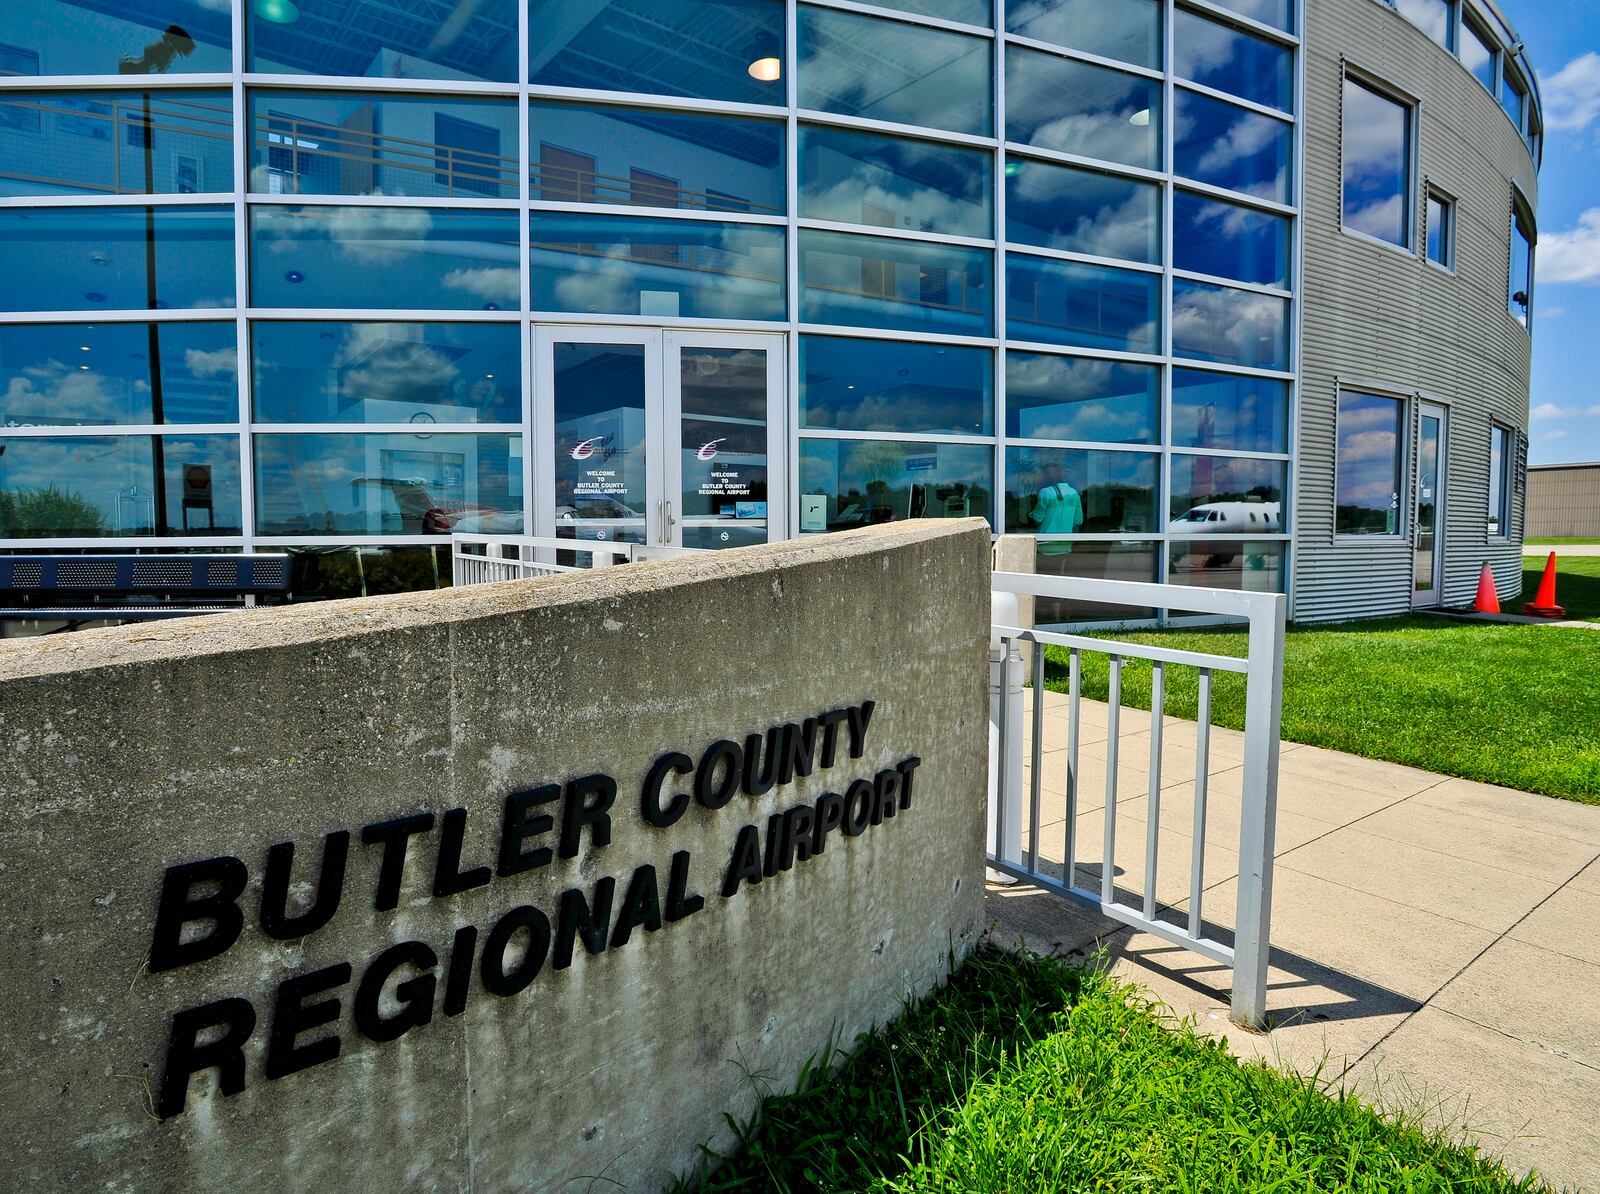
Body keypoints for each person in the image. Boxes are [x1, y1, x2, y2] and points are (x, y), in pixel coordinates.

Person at [1031, 479, 1083, 556]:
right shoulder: (1074, 493)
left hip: (1045, 546)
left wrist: (1030, 513)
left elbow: (1038, 518)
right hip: (1065, 546)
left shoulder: (1045, 492)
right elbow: (1079, 520)